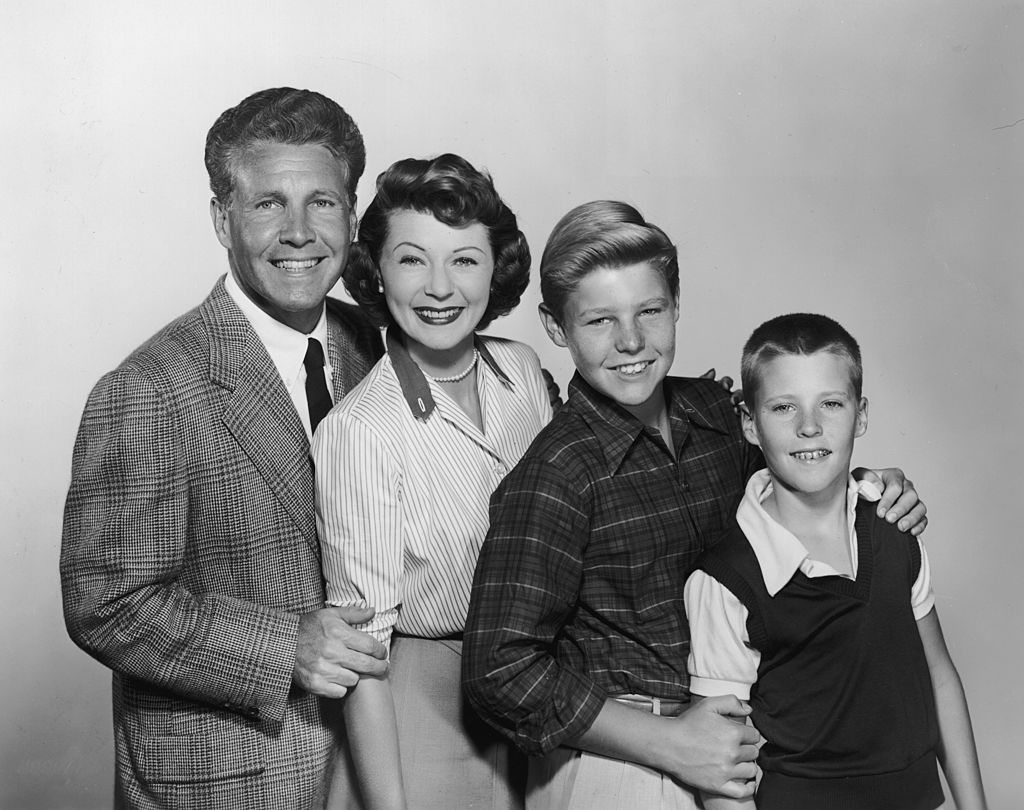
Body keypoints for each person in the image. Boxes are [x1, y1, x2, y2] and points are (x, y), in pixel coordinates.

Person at [462, 201, 928, 810]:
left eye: (650, 311)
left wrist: (871, 486)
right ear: (555, 328)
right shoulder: (557, 473)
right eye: (600, 320)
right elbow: (496, 667)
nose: (631, 341)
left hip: (744, 738)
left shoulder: (714, 414)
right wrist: (666, 742)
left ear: (677, 306)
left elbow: (793, 485)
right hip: (624, 760)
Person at [60, 87, 391, 810]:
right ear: (222, 219)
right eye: (268, 203)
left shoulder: (377, 344)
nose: (299, 232)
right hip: (231, 783)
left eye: (323, 203)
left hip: (379, 765)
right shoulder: (149, 387)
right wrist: (284, 647)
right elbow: (104, 603)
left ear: (354, 216)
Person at [312, 153, 552, 809]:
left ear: (494, 270)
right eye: (414, 259)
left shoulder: (523, 372)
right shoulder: (359, 429)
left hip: (536, 700)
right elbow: (362, 654)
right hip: (423, 711)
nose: (440, 287)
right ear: (377, 271)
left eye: (464, 260)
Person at [684, 313, 986, 810]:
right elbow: (718, 757)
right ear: (749, 424)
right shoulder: (725, 578)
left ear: (861, 415)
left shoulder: (893, 527)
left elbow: (939, 673)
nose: (809, 427)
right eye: (783, 407)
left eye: (830, 403)